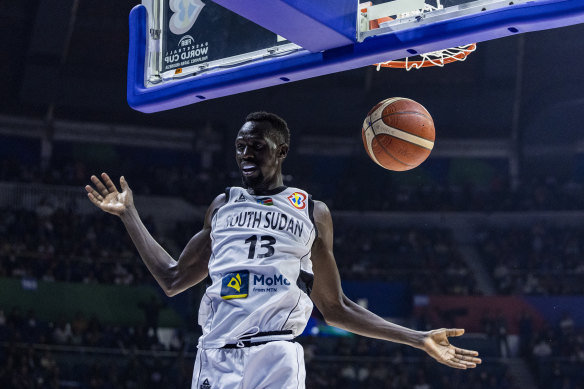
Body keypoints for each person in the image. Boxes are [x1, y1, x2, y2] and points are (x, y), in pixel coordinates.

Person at [85, 112, 481, 388]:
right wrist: (129, 214)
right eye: (240, 146)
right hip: (215, 355)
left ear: (281, 151)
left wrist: (417, 338)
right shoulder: (223, 205)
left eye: (255, 146)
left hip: (275, 354)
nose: (245, 154)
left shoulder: (312, 211)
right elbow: (173, 279)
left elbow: (335, 307)